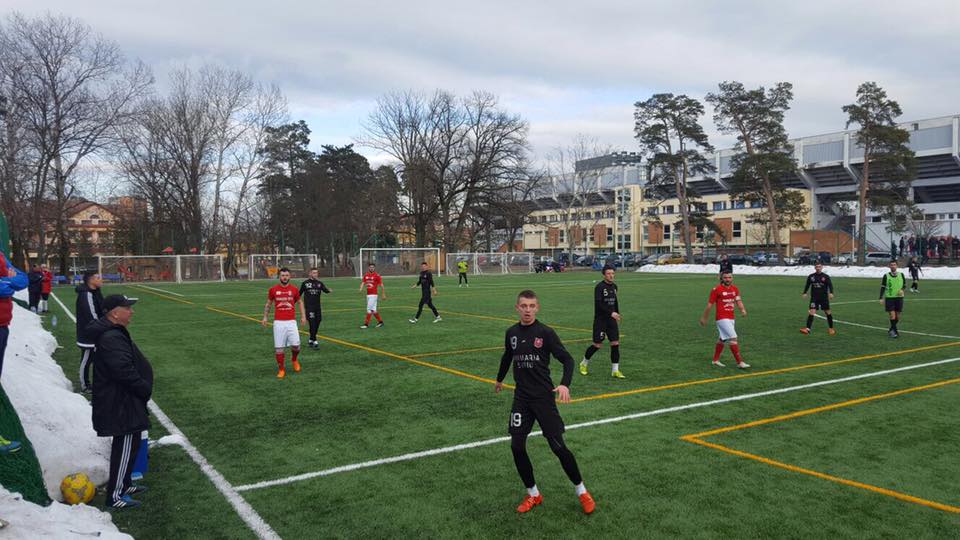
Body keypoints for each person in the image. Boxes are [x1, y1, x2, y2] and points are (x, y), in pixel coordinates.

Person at [495, 289, 595, 515]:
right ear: (517, 308)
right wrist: (499, 380)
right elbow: (507, 357)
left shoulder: (546, 333)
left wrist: (565, 384)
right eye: (523, 306)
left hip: (543, 398)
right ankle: (533, 494)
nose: (528, 310)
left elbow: (567, 360)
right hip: (521, 398)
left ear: (537, 308)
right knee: (516, 446)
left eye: (532, 306)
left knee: (558, 447)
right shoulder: (511, 332)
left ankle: (582, 491)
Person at [85, 295, 152, 509]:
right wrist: (143, 387)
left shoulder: (113, 333)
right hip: (120, 400)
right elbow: (123, 370)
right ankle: (115, 496)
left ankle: (125, 484)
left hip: (125, 398)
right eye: (127, 308)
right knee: (124, 443)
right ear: (115, 312)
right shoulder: (111, 337)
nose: (131, 311)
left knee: (132, 441)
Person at [579, 266, 624, 379]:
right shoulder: (599, 287)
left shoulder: (614, 287)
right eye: (608, 273)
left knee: (615, 344)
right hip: (601, 321)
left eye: (613, 273)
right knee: (597, 345)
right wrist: (611, 313)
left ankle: (615, 370)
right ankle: (584, 363)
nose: (611, 275)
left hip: (611, 320)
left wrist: (617, 313)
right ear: (604, 274)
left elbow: (615, 302)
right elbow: (599, 305)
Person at [699, 272, 750, 369]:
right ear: (722, 279)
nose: (727, 279)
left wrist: (742, 309)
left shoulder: (735, 289)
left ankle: (715, 360)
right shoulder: (716, 290)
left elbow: (738, 300)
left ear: (732, 278)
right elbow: (710, 305)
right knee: (733, 338)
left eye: (729, 277)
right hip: (721, 318)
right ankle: (740, 362)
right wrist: (704, 318)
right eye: (725, 277)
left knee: (722, 339)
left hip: (731, 318)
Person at [261, 268, 306, 378]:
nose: (284, 277)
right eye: (282, 275)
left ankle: (294, 360)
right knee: (279, 348)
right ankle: (281, 369)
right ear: (279, 277)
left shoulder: (294, 290)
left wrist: (303, 316)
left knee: (296, 346)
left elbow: (300, 302)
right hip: (278, 323)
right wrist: (265, 317)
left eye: (286, 275)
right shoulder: (273, 290)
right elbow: (268, 304)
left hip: (291, 322)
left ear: (289, 276)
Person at [75, 271, 105, 393]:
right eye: (98, 277)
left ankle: (96, 382)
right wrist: (103, 327)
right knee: (87, 359)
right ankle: (85, 385)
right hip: (89, 334)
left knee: (97, 359)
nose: (101, 279)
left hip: (97, 332)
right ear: (91, 280)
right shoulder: (86, 294)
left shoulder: (95, 292)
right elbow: (92, 316)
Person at [0, 252, 28, 381]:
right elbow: (5, 290)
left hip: (3, 325)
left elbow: (23, 279)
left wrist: (5, 281)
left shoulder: (1, 256)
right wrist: (10, 282)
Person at [298, 267, 331, 349]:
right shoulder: (305, 283)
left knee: (318, 321)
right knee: (312, 323)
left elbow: (325, 290)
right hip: (309, 307)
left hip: (317, 307)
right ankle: (315, 341)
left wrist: (329, 290)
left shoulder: (319, 283)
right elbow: (299, 293)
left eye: (316, 273)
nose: (315, 274)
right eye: (313, 273)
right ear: (310, 273)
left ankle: (311, 339)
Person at [801, 262, 835, 335]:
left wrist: (831, 293)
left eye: (819, 267)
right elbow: (807, 285)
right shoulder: (811, 276)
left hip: (824, 298)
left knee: (827, 312)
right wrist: (804, 292)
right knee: (812, 312)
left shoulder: (826, 276)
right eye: (817, 267)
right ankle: (807, 329)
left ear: (822, 267)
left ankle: (831, 328)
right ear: (815, 268)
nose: (818, 268)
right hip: (814, 298)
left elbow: (830, 285)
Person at [879, 260, 906, 338]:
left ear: (897, 266)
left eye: (894, 265)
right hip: (889, 298)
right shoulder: (886, 276)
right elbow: (883, 287)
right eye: (891, 265)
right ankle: (895, 331)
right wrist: (881, 297)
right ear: (889, 266)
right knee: (892, 315)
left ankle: (891, 329)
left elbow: (904, 285)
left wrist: (902, 290)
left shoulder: (901, 275)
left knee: (898, 316)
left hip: (899, 298)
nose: (893, 266)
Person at [359, 263, 386, 329]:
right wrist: (361, 288)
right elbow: (363, 282)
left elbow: (382, 285)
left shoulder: (377, 275)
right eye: (370, 267)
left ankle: (366, 324)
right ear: (369, 268)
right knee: (373, 310)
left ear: (374, 268)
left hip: (373, 295)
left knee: (369, 309)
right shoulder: (366, 275)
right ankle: (381, 322)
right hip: (368, 295)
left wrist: (383, 294)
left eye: (373, 267)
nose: (371, 268)